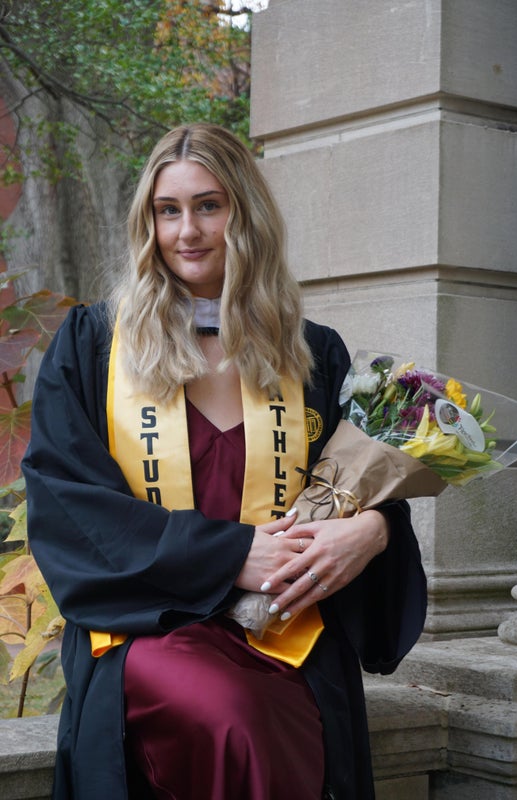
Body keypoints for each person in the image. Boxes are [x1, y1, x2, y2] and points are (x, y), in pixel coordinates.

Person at [22, 123, 427, 800]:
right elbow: (69, 508)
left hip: (284, 627)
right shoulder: (95, 345)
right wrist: (232, 554)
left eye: (209, 206)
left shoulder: (311, 354)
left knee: (294, 723)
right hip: (147, 628)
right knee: (235, 719)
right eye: (168, 210)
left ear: (247, 213)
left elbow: (360, 485)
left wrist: (376, 530)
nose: (187, 231)